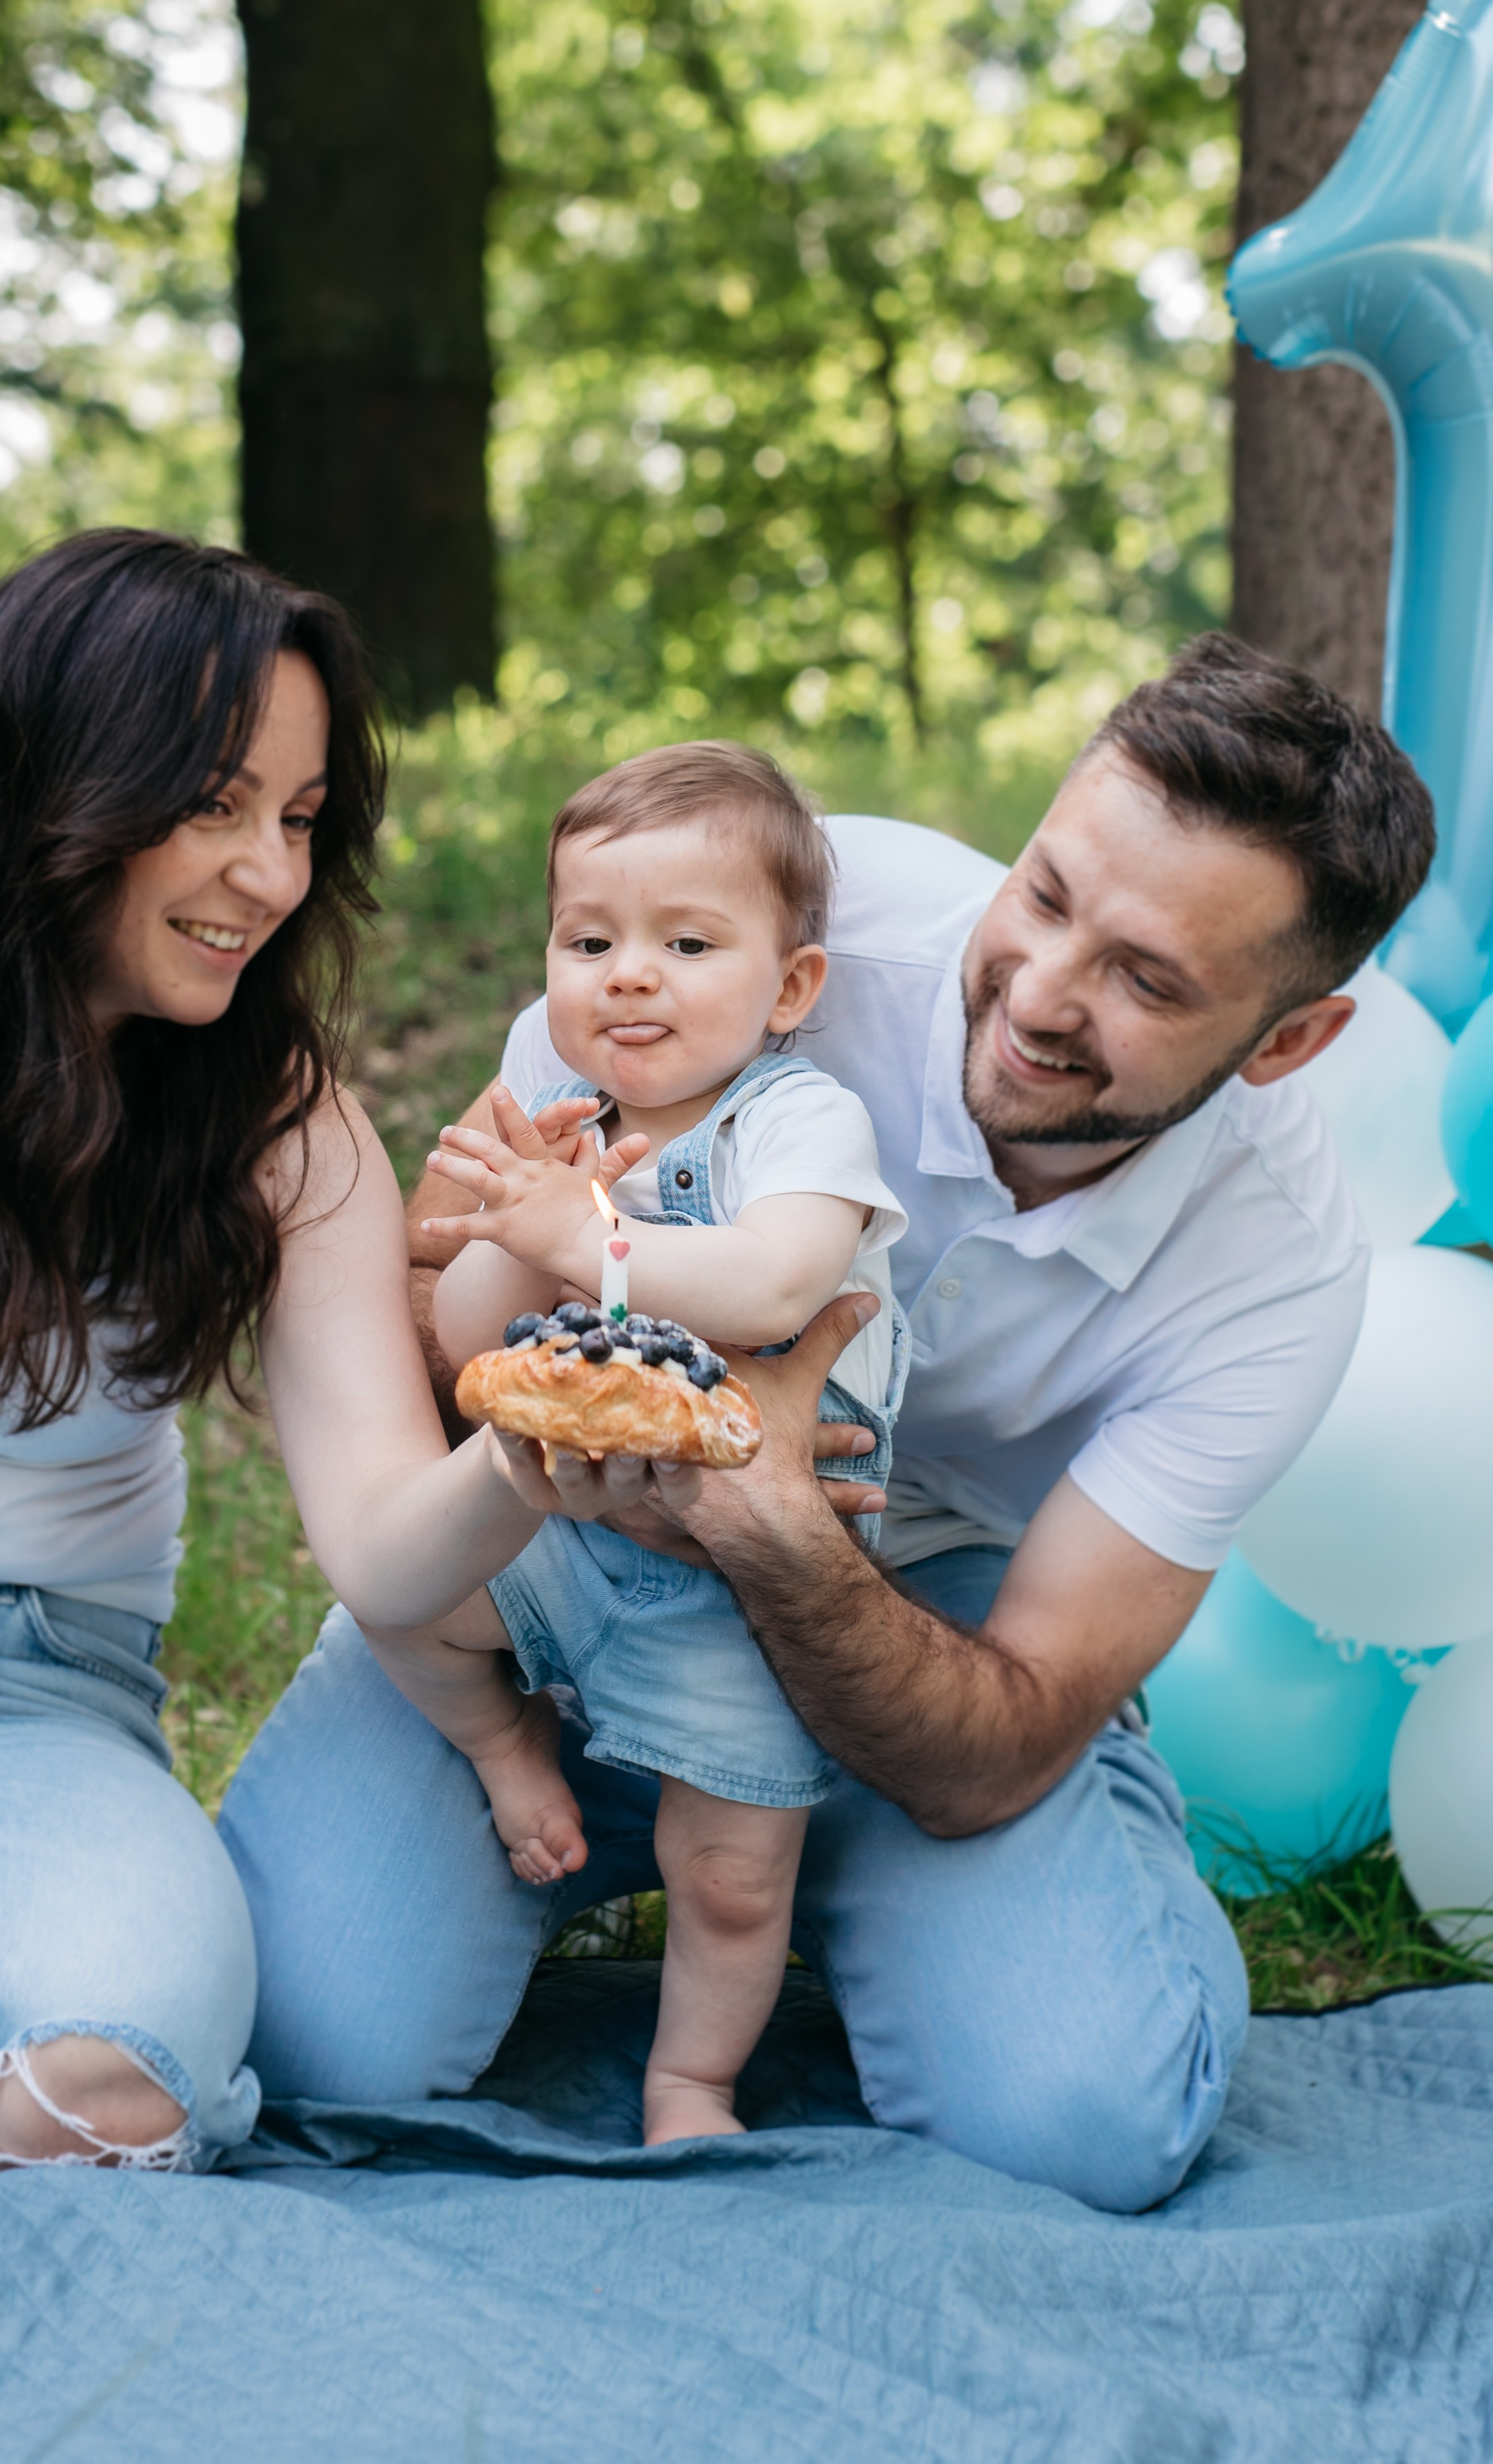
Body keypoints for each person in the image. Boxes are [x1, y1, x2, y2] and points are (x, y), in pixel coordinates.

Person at [220, 633, 1436, 2211]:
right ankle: (629, 1819)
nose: (1041, 997)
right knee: (307, 2034)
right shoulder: (739, 917)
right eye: (1048, 894)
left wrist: (769, 1513)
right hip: (574, 1560)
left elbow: (1007, 1731)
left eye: (1147, 979)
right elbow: (443, 1305)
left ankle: (841, 1876)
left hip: (922, 1628)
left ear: (1285, 1043)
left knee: (1085, 2120)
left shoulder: (1275, 1273)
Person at [0, 527, 590, 2173]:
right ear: (49, 786)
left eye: (297, 819)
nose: (269, 877)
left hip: (18, 1705)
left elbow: (385, 1547)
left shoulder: (289, 1135)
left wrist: (524, 1453)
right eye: (213, 804)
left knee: (119, 2089)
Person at [353, 744, 908, 2145]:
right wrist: (515, 1225)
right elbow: (478, 1344)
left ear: (788, 988)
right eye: (588, 939)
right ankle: (501, 1743)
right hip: (567, 1533)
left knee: (725, 1870)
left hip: (744, 1588)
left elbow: (778, 1285)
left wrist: (586, 1238)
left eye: (685, 941)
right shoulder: (569, 1134)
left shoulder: (797, 1122)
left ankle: (690, 2081)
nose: (628, 974)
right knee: (397, 1595)